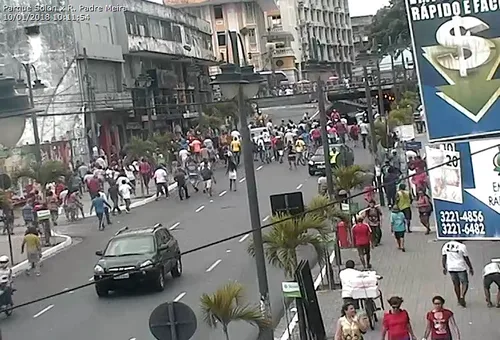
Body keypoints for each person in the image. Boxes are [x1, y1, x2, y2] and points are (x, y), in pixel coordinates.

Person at [442, 240, 474, 307]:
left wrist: (444, 267)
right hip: (460, 267)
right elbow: (466, 258)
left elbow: (444, 257)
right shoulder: (462, 246)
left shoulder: (446, 245)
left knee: (456, 284)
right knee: (465, 282)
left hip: (451, 267)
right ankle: (462, 296)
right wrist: (470, 267)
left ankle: (458, 299)